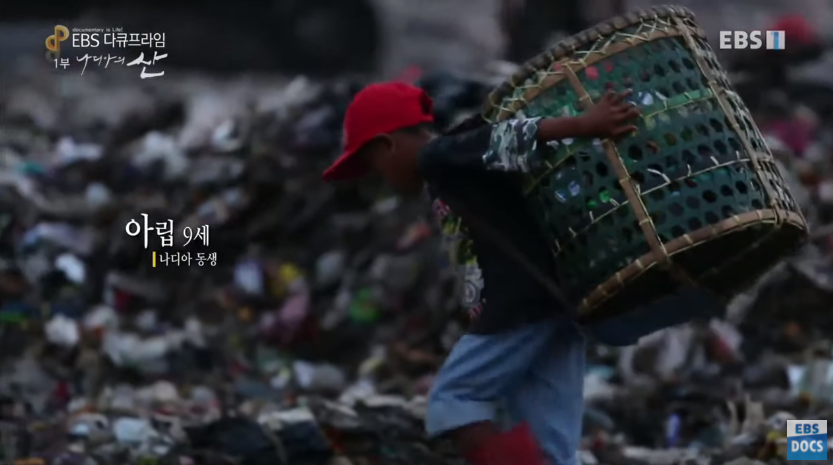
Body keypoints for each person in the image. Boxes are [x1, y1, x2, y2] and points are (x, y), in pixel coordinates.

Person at [322, 82, 639, 465]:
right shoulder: (452, 169)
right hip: (554, 305)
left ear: (387, 144)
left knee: (453, 400)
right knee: (552, 444)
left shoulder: (438, 156)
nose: (381, 176)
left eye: (374, 164)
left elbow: (505, 137)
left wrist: (585, 125)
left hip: (517, 308)